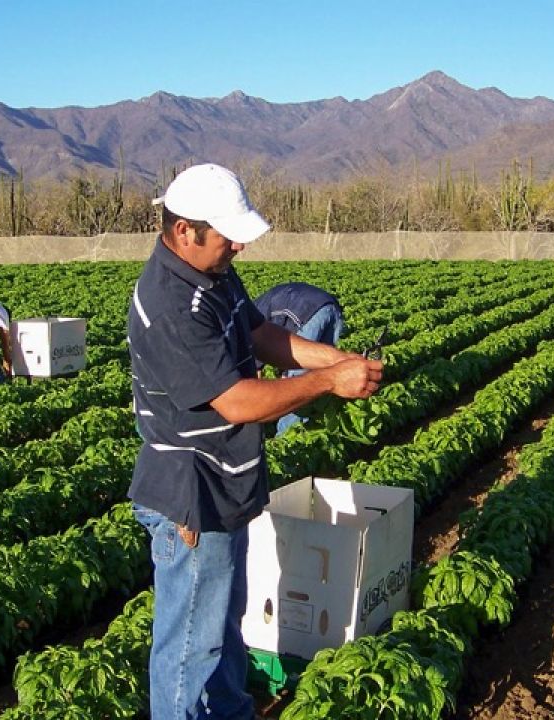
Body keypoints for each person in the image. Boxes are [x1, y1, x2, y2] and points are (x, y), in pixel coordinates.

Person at [127, 163, 383, 720]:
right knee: (191, 645)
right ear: (183, 231)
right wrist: (326, 383)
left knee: (223, 624)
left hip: (225, 481)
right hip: (190, 495)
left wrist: (339, 361)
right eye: (226, 234)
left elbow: (264, 336)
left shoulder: (213, 278)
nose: (239, 245)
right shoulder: (172, 305)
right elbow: (236, 400)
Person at [253, 282, 345, 435]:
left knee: (297, 384)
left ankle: (286, 436)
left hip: (308, 314)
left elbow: (255, 367)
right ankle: (313, 422)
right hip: (331, 307)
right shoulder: (261, 303)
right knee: (325, 370)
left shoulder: (251, 317)